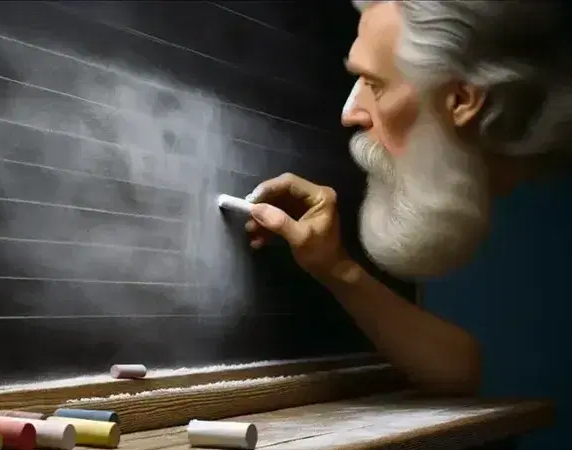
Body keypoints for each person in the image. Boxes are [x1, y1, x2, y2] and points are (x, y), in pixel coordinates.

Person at [244, 0, 572, 396]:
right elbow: (472, 367)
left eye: (376, 84)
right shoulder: (479, 195)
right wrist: (333, 267)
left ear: (463, 100)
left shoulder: (544, 225)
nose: (350, 112)